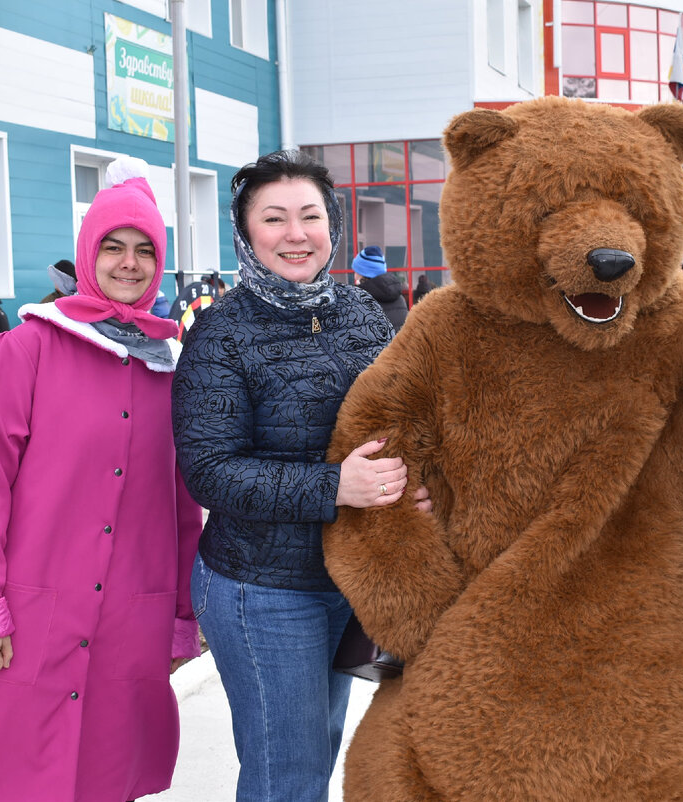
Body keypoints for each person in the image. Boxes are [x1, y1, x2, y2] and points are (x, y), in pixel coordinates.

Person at [0, 158, 203, 801]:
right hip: (28, 621)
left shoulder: (171, 370)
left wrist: (178, 620)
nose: (130, 263)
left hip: (128, 625)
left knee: (108, 774)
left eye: (145, 250)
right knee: (18, 776)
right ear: (88, 254)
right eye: (113, 247)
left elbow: (181, 507)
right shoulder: (25, 351)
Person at [172, 150, 425, 802]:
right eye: (274, 218)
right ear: (245, 231)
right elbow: (209, 470)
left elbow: (396, 415)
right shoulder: (220, 333)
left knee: (319, 750)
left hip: (349, 574)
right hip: (263, 587)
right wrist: (334, 486)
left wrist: (416, 481)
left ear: (332, 225)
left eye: (310, 216)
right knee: (288, 773)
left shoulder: (360, 311)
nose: (296, 234)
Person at [352, 245, 408, 331]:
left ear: (364, 273)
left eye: (356, 271)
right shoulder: (400, 299)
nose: (355, 276)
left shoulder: (359, 301)